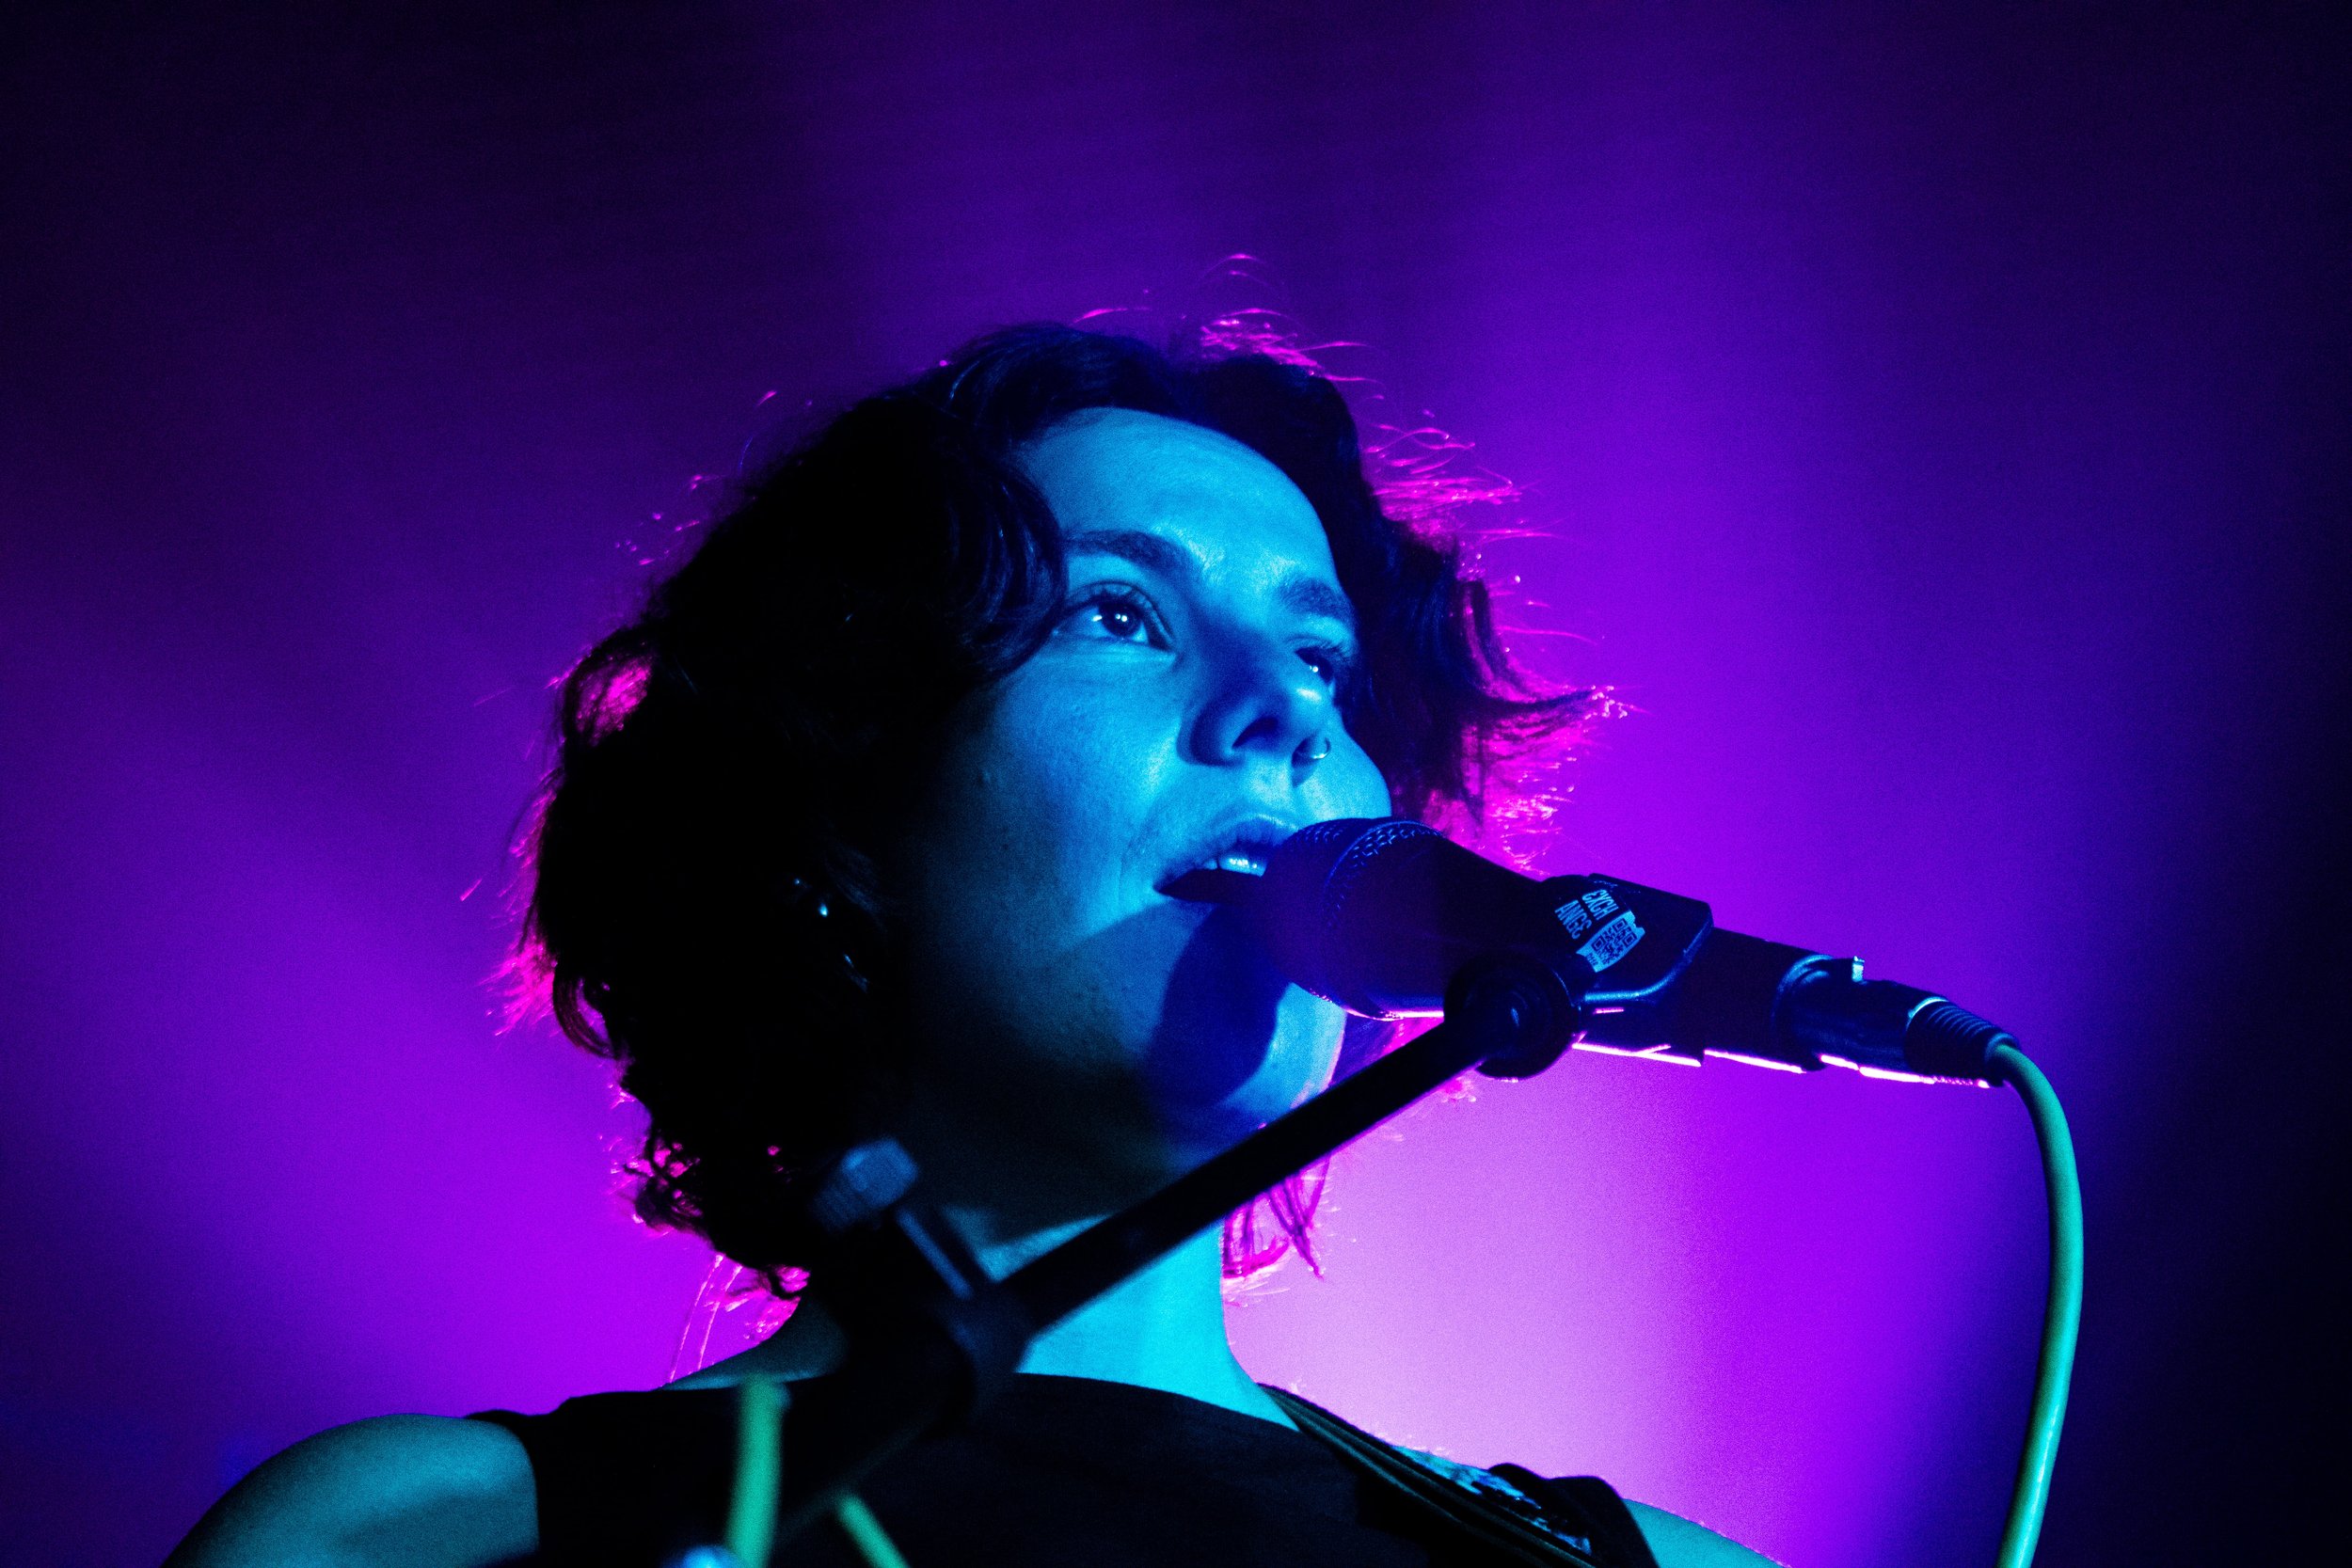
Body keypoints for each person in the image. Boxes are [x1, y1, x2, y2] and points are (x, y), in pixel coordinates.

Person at [165, 321, 1775, 1567]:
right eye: (1120, 616)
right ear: (842, 799)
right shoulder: (430, 1540)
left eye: (1322, 661)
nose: (1284, 715)